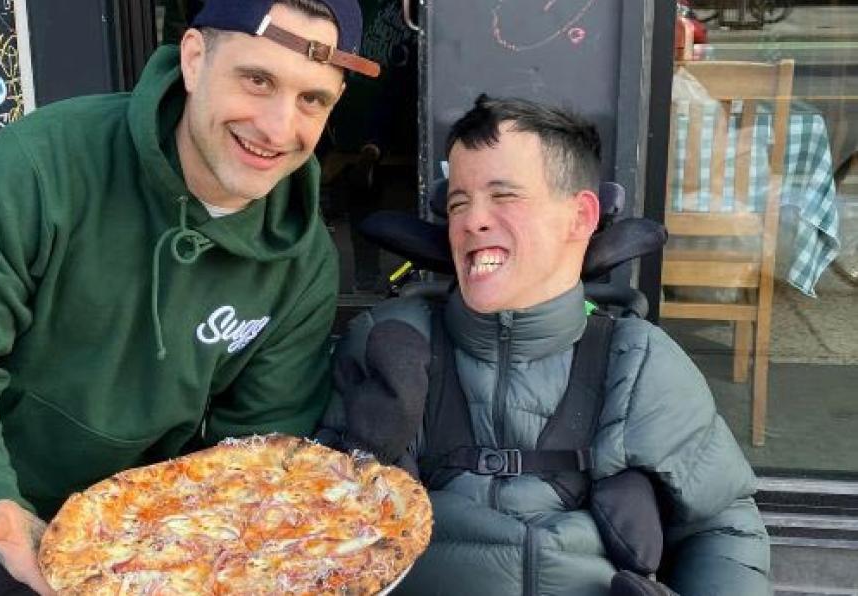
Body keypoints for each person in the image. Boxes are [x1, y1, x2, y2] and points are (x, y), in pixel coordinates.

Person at [0, 1, 380, 594]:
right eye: (258, 80)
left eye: (312, 100)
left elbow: (252, 452)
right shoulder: (41, 166)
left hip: (154, 533)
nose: (278, 128)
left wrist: (199, 551)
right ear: (195, 59)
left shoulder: (301, 262)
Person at [318, 96, 772, 595]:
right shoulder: (390, 345)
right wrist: (354, 470)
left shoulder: (638, 363)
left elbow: (723, 525)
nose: (472, 221)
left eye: (503, 196)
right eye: (459, 203)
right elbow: (305, 523)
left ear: (580, 217)